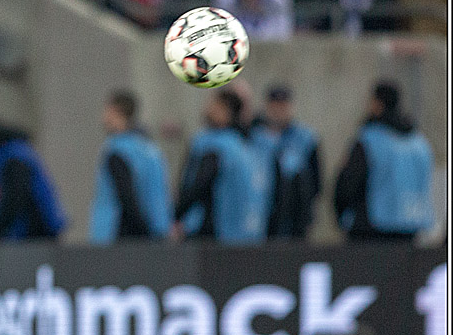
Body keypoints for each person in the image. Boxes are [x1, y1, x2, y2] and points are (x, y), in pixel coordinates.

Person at [334, 81, 433, 241]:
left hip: (371, 227)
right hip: (410, 226)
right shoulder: (419, 143)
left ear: (377, 104)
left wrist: (342, 216)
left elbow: (348, 183)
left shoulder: (369, 139)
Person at [173, 89, 263, 245]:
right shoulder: (243, 145)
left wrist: (177, 215)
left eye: (214, 105)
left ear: (225, 111)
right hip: (243, 233)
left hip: (214, 230)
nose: (208, 109)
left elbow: (199, 184)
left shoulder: (215, 145)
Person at [89, 90, 171, 244]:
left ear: (116, 112)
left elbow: (126, 197)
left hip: (120, 234)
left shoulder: (117, 151)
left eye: (107, 111)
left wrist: (142, 233)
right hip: (158, 230)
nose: (103, 117)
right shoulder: (150, 149)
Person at [0, 119, 67, 241]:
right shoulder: (1, 156)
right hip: (27, 231)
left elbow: (17, 198)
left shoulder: (15, 156)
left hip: (37, 232)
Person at [250, 85, 321, 239]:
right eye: (274, 106)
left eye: (283, 106)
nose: (278, 111)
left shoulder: (304, 138)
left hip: (295, 216)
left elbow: (316, 180)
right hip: (262, 213)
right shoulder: (255, 136)